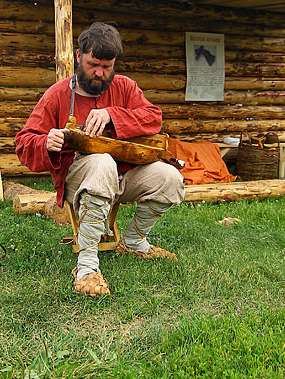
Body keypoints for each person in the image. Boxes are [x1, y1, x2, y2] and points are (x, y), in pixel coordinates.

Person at [15, 22, 185, 297]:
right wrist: (45, 141)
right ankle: (87, 266)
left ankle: (134, 241)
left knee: (171, 178)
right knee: (101, 162)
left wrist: (112, 115)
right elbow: (23, 142)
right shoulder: (58, 94)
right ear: (79, 56)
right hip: (80, 180)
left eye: (107, 67)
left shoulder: (125, 87)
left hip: (124, 176)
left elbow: (154, 117)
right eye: (94, 64)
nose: (100, 73)